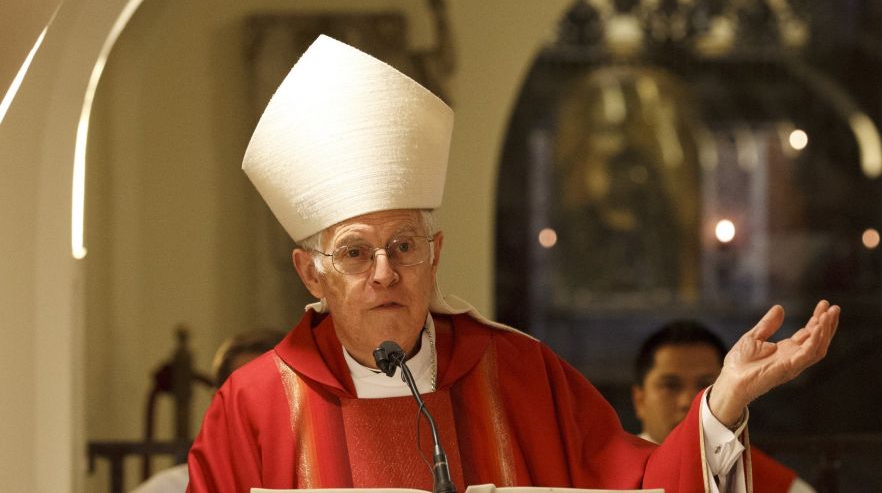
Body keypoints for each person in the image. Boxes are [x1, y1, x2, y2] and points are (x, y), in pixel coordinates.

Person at [185, 35, 841, 492]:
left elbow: (640, 488)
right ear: (311, 274)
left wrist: (723, 397)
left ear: (434, 255)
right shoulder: (253, 407)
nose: (385, 272)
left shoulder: (520, 374)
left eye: (404, 246)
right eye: (355, 252)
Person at [633, 320, 816, 492]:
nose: (687, 401)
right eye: (670, 386)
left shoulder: (778, 487)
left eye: (705, 385)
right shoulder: (612, 478)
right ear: (640, 400)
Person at [132, 329, 283, 493]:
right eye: (246, 394)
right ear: (218, 402)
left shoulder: (312, 481)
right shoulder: (168, 489)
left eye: (276, 393)